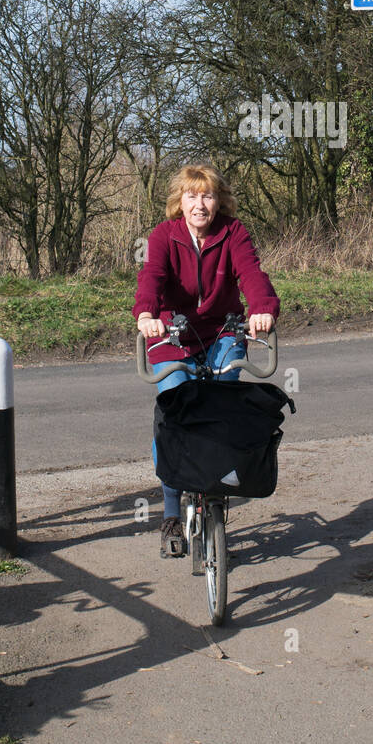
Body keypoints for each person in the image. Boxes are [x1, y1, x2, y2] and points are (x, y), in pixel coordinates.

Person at [133, 163, 280, 557]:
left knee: (222, 407)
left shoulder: (233, 232)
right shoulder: (164, 235)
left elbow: (252, 274)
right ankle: (169, 514)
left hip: (221, 331)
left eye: (208, 195)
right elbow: (152, 276)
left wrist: (262, 309)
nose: (200, 204)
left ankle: (216, 487)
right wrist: (147, 316)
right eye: (192, 196)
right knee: (176, 412)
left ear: (219, 201)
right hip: (171, 334)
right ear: (179, 201)